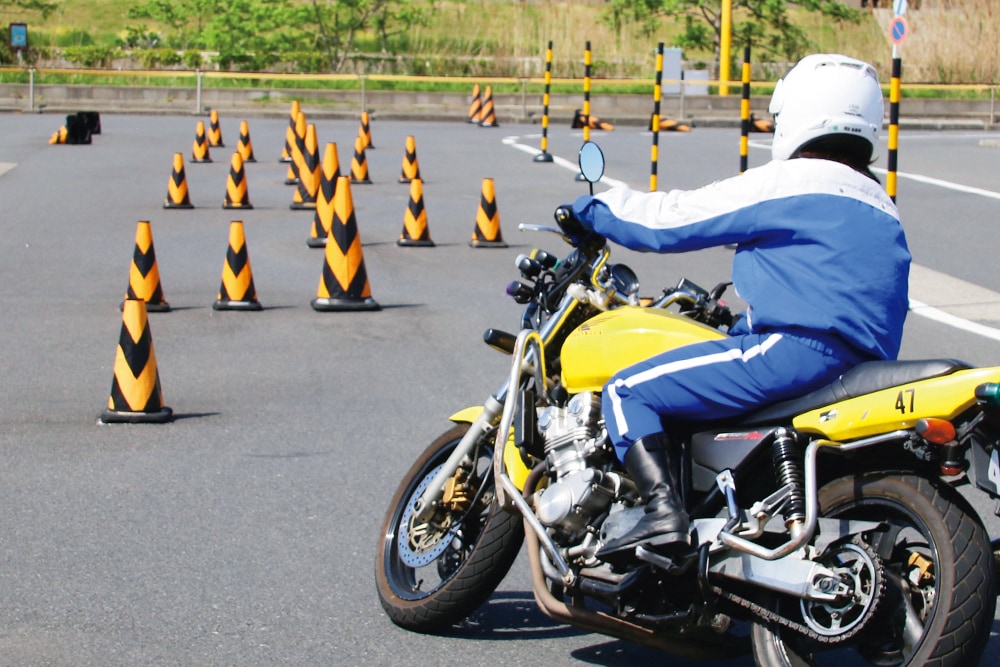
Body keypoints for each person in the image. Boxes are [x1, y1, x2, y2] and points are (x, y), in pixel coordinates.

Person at [566, 54, 911, 560]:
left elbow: (673, 220)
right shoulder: (882, 205)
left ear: (797, 112)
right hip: (862, 368)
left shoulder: (793, 180)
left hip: (794, 355)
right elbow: (836, 296)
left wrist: (593, 211)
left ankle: (662, 514)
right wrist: (743, 323)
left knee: (627, 391)